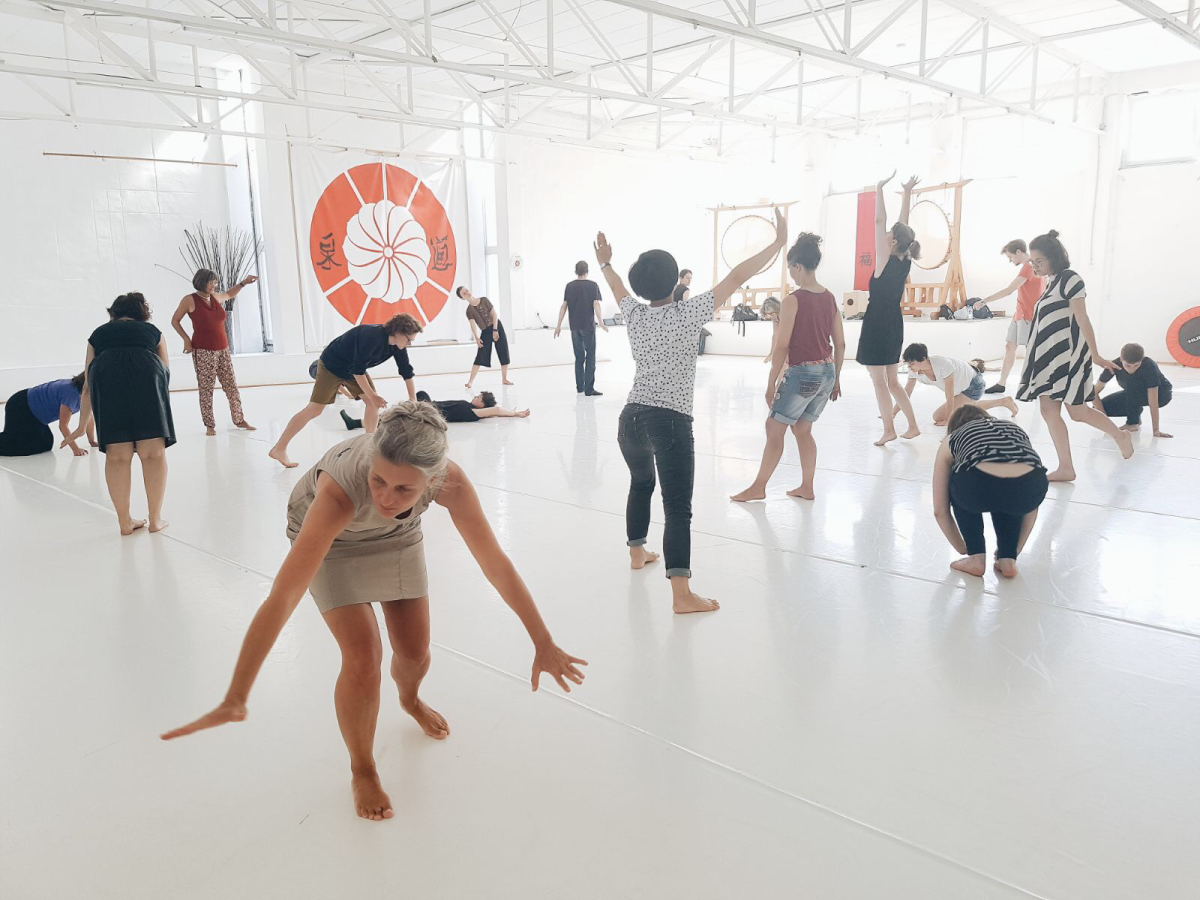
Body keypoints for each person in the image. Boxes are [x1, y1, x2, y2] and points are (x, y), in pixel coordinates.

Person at [162, 403, 587, 821]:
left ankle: (410, 698)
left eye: (404, 489)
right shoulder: (340, 492)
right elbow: (283, 596)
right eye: (379, 479)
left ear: (433, 479)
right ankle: (362, 768)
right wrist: (237, 693)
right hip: (334, 542)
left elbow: (494, 562)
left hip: (398, 538)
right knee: (363, 657)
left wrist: (543, 641)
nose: (386, 496)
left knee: (416, 654)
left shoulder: (449, 482)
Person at [593, 207, 787, 615]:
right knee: (677, 505)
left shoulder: (634, 312)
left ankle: (636, 552)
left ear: (640, 285)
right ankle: (681, 595)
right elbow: (738, 276)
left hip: (631, 416)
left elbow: (613, 284)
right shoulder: (688, 312)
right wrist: (776, 244)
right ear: (674, 279)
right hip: (670, 420)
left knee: (641, 483)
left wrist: (606, 262)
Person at [731, 233, 844, 503]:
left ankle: (759, 486)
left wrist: (771, 382)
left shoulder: (793, 300)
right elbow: (839, 342)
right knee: (803, 429)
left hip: (803, 373)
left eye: (790, 268)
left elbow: (782, 345)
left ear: (797, 266)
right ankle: (807, 486)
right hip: (827, 371)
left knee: (774, 427)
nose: (791, 274)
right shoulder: (829, 298)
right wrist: (836, 378)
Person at [1015, 230, 1133, 480]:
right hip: (1048, 358)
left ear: (1054, 258)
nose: (1034, 266)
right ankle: (1065, 467)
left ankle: (1119, 435)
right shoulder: (1051, 281)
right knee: (1049, 410)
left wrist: (1096, 355)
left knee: (1077, 412)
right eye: (1032, 262)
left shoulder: (1070, 279)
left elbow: (1082, 318)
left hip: (1067, 357)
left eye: (1039, 262)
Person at [68, 292, 175, 535]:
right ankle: (155, 520)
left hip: (109, 385)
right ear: (142, 314)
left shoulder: (98, 336)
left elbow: (87, 386)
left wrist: (81, 425)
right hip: (147, 385)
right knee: (153, 455)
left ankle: (125, 522)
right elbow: (165, 373)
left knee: (117, 457)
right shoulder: (153, 332)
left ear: (114, 314)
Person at [269, 315, 422, 469]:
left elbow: (406, 371)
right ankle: (279, 449)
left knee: (372, 404)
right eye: (409, 339)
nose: (409, 343)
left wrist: (412, 399)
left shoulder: (398, 346)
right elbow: (358, 371)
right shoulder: (372, 337)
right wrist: (373, 396)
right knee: (315, 409)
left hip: (353, 369)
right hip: (332, 365)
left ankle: (368, 448)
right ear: (399, 333)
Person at [932, 405, 1048, 579]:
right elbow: (1031, 507)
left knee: (962, 479)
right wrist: (1015, 550)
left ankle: (976, 558)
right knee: (1010, 488)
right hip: (1032, 483)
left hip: (976, 485)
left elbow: (939, 510)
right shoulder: (1014, 428)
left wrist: (962, 547)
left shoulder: (952, 438)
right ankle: (1008, 560)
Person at [856, 172, 922, 446]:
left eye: (888, 235)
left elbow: (880, 220)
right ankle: (913, 425)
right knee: (893, 380)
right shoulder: (905, 258)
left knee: (879, 380)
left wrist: (880, 189)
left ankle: (889, 429)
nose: (883, 235)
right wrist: (906, 193)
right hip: (894, 322)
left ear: (892, 241)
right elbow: (903, 226)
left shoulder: (884, 259)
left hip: (876, 324)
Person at [170, 268, 258, 436]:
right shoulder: (190, 300)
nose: (214, 285)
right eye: (211, 282)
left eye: (215, 282)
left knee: (231, 386)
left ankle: (239, 419)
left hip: (223, 349)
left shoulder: (215, 297)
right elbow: (175, 320)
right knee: (206, 388)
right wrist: (186, 339)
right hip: (203, 351)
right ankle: (209, 425)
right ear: (201, 282)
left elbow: (229, 294)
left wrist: (243, 283)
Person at [977, 240, 1045, 394]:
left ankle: (1032, 384)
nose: (1010, 260)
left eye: (1010, 257)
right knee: (1010, 346)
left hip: (1029, 315)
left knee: (1031, 350)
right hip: (1019, 314)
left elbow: (1008, 290)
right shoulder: (1031, 267)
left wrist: (984, 301)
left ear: (1019, 252)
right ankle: (1001, 383)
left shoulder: (1029, 267)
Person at [898, 343, 1018, 425]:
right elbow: (905, 394)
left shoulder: (942, 364)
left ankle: (1002, 402)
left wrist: (948, 419)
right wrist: (893, 413)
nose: (909, 367)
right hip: (961, 386)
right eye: (908, 364)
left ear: (924, 359)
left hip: (974, 384)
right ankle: (1002, 402)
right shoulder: (913, 371)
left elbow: (949, 395)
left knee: (942, 416)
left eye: (912, 363)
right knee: (941, 415)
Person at [0, 373, 94, 457]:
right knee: (24, 445)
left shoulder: (86, 396)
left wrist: (91, 441)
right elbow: (63, 426)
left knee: (46, 444)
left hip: (36, 416)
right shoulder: (71, 396)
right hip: (21, 407)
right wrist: (76, 449)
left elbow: (88, 418)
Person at [1094, 343, 1173, 437]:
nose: (1132, 369)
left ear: (1142, 361)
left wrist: (1156, 430)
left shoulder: (1149, 366)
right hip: (1133, 394)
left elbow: (1153, 400)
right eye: (1127, 365)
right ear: (1121, 359)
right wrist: (1105, 422)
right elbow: (1093, 393)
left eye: (1136, 365)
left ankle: (1132, 423)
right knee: (1097, 409)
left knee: (1132, 382)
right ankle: (1136, 414)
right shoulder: (1113, 366)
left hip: (1161, 394)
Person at [554, 261, 609, 396]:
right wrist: (601, 322)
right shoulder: (593, 285)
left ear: (576, 271)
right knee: (590, 356)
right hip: (588, 326)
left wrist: (558, 325)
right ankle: (589, 389)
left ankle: (580, 387)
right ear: (587, 271)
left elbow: (564, 306)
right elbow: (596, 304)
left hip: (575, 327)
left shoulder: (569, 286)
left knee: (579, 357)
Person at [339, 390, 530, 428]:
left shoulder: (475, 413)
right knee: (415, 399)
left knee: (402, 414)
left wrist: (515, 413)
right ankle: (358, 422)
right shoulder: (471, 408)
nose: (476, 397)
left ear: (482, 405)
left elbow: (495, 409)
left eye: (479, 397)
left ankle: (357, 423)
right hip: (430, 406)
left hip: (431, 413)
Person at [457, 287, 512, 388]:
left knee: (503, 350)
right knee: (481, 354)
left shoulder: (484, 300)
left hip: (496, 326)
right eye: (464, 293)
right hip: (485, 331)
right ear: (463, 298)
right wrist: (477, 338)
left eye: (466, 290)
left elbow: (494, 315)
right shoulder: (469, 310)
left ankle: (504, 379)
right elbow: (472, 324)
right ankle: (470, 382)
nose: (467, 293)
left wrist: (495, 330)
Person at [759, 296, 781, 363]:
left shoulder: (785, 313)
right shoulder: (775, 318)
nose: (772, 316)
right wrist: (771, 353)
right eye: (769, 314)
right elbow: (775, 335)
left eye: (772, 313)